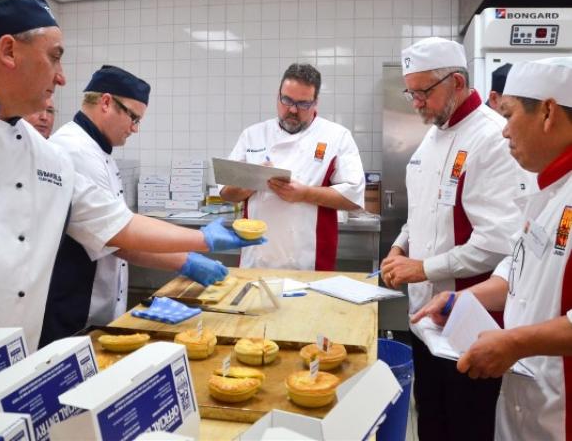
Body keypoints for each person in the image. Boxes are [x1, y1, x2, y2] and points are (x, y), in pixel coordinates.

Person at [0, 0, 261, 352]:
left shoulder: (45, 156)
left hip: (10, 356)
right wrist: (198, 246)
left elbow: (116, 225)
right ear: (8, 51)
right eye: (55, 56)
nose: (61, 78)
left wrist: (204, 240)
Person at [412, 57, 572, 440]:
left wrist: (515, 342)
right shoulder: (546, 189)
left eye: (510, 115)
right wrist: (461, 300)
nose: (503, 132)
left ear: (548, 112)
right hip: (527, 404)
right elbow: (516, 272)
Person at [380, 37, 524, 440]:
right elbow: (421, 214)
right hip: (425, 316)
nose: (416, 102)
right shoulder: (433, 135)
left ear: (457, 81)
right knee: (431, 417)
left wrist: (423, 267)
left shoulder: (493, 138)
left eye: (423, 91)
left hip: (469, 321)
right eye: (411, 92)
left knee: (466, 423)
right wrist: (399, 247)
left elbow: (498, 241)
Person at [40, 65, 227, 346]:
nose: (135, 129)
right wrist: (190, 254)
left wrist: (187, 255)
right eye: (134, 118)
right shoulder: (73, 150)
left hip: (97, 310)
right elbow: (119, 236)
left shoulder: (98, 150)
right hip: (72, 309)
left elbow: (120, 226)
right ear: (106, 103)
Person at [219, 63, 365, 271]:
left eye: (303, 104)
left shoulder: (337, 136)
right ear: (277, 95)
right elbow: (226, 192)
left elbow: (353, 197)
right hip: (256, 261)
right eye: (286, 100)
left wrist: (304, 194)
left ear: (316, 103)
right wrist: (251, 183)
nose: (293, 110)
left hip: (309, 263)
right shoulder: (252, 134)